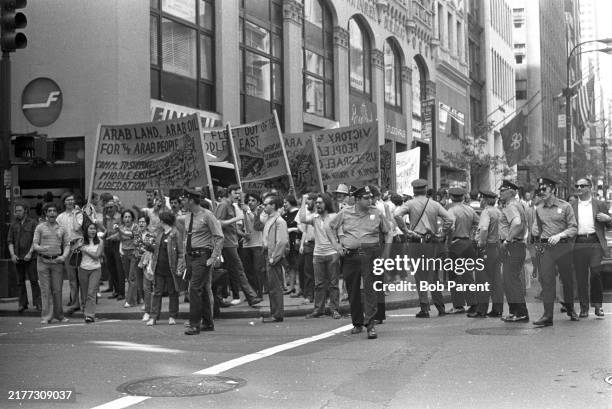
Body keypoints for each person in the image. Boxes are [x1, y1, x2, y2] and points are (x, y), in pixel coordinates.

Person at [330, 186, 393, 339]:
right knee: (352, 290)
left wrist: (386, 254)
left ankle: (370, 324)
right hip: (350, 256)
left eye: (371, 197)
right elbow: (331, 227)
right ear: (357, 200)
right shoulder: (345, 213)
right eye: (366, 198)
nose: (370, 200)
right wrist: (337, 246)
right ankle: (357, 323)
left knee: (370, 290)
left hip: (370, 254)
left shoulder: (376, 212)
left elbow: (388, 232)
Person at [394, 179, 454, 318]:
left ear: (414, 190)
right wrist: (442, 233)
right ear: (426, 189)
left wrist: (406, 230)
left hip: (416, 241)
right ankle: (441, 308)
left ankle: (425, 308)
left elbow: (397, 215)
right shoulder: (435, 204)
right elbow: (449, 219)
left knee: (419, 275)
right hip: (431, 241)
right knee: (433, 275)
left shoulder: (409, 203)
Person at [531, 177, 578, 326]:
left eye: (544, 189)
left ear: (553, 190)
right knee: (547, 281)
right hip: (546, 248)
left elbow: (573, 228)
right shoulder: (538, 209)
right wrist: (534, 232)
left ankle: (570, 308)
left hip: (562, 246)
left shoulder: (565, 207)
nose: (541, 192)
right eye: (540, 190)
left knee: (567, 280)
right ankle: (547, 316)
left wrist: (560, 235)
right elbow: (537, 229)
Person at [182, 188, 224, 335]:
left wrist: (213, 258)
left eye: (184, 199)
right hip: (191, 256)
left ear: (191, 200)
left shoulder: (207, 215)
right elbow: (186, 239)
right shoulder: (188, 217)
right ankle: (207, 322)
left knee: (194, 289)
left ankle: (194, 324)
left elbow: (219, 236)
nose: (182, 201)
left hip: (202, 256)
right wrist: (184, 258)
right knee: (203, 291)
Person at [214, 184, 262, 307]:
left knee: (228, 271)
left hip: (232, 241)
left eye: (240, 193)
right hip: (226, 243)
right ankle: (251, 297)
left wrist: (241, 234)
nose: (238, 196)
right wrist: (236, 219)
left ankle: (219, 299)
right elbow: (218, 223)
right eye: (236, 193)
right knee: (239, 269)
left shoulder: (232, 206)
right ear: (230, 192)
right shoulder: (223, 205)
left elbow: (231, 227)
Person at [571, 177, 611, 318]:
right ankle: (583, 308)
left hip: (595, 241)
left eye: (582, 186)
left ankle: (598, 306)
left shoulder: (599, 204)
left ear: (590, 187)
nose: (579, 188)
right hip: (578, 242)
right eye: (577, 186)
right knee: (581, 276)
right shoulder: (572, 205)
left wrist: (608, 219)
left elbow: (609, 225)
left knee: (595, 273)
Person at [300, 193, 342, 320]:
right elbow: (302, 219)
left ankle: (334, 309)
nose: (317, 204)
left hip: (332, 254)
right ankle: (319, 309)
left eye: (320, 202)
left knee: (333, 284)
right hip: (318, 254)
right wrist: (303, 201)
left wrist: (339, 250)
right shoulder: (314, 217)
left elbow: (341, 234)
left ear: (327, 204)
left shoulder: (334, 217)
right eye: (316, 202)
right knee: (319, 284)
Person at [497, 180, 530, 323]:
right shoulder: (518, 205)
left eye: (503, 190)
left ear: (511, 192)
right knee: (510, 280)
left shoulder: (511, 206)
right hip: (517, 245)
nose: (500, 193)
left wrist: (508, 240)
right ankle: (515, 311)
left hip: (513, 246)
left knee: (511, 281)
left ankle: (520, 313)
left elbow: (517, 223)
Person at [33, 203, 71, 324]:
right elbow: (34, 244)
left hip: (57, 262)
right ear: (45, 213)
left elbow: (67, 245)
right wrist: (40, 249)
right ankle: (46, 316)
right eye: (49, 211)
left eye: (54, 211)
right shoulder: (39, 227)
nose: (52, 213)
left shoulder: (62, 228)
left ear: (56, 214)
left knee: (57, 290)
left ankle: (59, 315)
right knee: (45, 290)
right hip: (42, 262)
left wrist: (64, 256)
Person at [146, 211, 185, 326]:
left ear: (163, 221)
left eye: (159, 220)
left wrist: (179, 266)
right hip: (158, 268)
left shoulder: (175, 233)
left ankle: (172, 316)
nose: (158, 222)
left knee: (173, 292)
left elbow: (181, 252)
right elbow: (157, 250)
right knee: (157, 292)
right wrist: (150, 247)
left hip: (171, 269)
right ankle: (153, 317)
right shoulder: (160, 233)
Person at [446, 187, 479, 314]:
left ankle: (458, 305)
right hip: (468, 243)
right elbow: (479, 223)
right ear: (462, 197)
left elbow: (449, 228)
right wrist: (474, 235)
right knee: (468, 276)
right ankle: (473, 303)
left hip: (455, 244)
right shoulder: (470, 210)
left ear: (452, 197)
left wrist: (447, 241)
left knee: (454, 276)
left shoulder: (451, 211)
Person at [473, 190, 503, 318]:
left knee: (482, 279)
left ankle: (481, 309)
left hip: (487, 247)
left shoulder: (486, 212)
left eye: (481, 199)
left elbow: (484, 229)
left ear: (484, 200)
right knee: (496, 279)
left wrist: (481, 243)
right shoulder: (498, 212)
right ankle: (497, 309)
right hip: (497, 247)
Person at [261, 195, 289, 323]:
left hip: (273, 257)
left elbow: (282, 242)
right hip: (269, 255)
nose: (264, 206)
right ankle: (275, 313)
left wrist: (274, 258)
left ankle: (277, 314)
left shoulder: (279, 221)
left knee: (275, 287)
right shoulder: (270, 219)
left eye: (266, 204)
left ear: (273, 206)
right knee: (272, 286)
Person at [8, 202, 40, 312]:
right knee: (20, 281)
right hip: (18, 257)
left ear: (25, 211)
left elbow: (36, 240)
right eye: (16, 211)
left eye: (19, 211)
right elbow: (10, 241)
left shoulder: (33, 223)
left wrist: (30, 253)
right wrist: (12, 254)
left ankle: (38, 303)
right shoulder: (13, 225)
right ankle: (22, 303)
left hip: (31, 257)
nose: (17, 213)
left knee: (34, 280)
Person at [56, 192, 84, 314]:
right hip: (67, 249)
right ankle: (75, 303)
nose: (70, 202)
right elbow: (57, 233)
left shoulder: (79, 214)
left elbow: (77, 228)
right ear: (64, 202)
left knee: (82, 277)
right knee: (72, 278)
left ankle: (84, 303)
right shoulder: (60, 217)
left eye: (72, 200)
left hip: (79, 247)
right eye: (68, 200)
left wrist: (74, 214)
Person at [240, 192, 266, 297]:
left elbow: (256, 224)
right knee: (248, 271)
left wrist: (248, 211)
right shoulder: (244, 211)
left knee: (258, 270)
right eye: (249, 200)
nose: (250, 202)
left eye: (253, 200)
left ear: (258, 202)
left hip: (258, 244)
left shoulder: (261, 212)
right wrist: (243, 234)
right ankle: (253, 293)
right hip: (246, 244)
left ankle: (260, 292)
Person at [78, 223, 104, 323]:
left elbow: (97, 255)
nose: (93, 231)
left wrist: (85, 249)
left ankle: (90, 315)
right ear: (86, 230)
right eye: (90, 229)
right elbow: (73, 250)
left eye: (94, 229)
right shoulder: (81, 241)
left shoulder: (100, 242)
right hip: (83, 269)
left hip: (95, 269)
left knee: (91, 293)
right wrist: (76, 246)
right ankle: (86, 311)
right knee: (84, 294)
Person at [102, 200, 124, 300]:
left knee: (119, 269)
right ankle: (116, 291)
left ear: (115, 207)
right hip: (108, 244)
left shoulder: (120, 217)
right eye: (107, 208)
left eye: (111, 207)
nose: (109, 209)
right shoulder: (106, 218)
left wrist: (112, 237)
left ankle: (121, 293)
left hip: (117, 244)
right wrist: (104, 234)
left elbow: (122, 232)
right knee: (111, 269)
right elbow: (107, 230)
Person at [134, 214, 154, 322]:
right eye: (139, 222)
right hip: (137, 261)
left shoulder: (151, 235)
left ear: (147, 223)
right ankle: (146, 304)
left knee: (147, 287)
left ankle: (148, 311)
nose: (141, 224)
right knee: (140, 286)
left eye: (143, 222)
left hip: (147, 262)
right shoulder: (136, 234)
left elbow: (151, 248)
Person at [118, 209, 139, 308]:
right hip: (124, 253)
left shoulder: (135, 227)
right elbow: (121, 239)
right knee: (129, 278)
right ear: (122, 219)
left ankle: (129, 301)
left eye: (129, 217)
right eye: (125, 217)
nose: (127, 219)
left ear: (132, 218)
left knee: (132, 277)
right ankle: (137, 298)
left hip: (133, 253)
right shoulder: (121, 227)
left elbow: (129, 235)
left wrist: (119, 230)